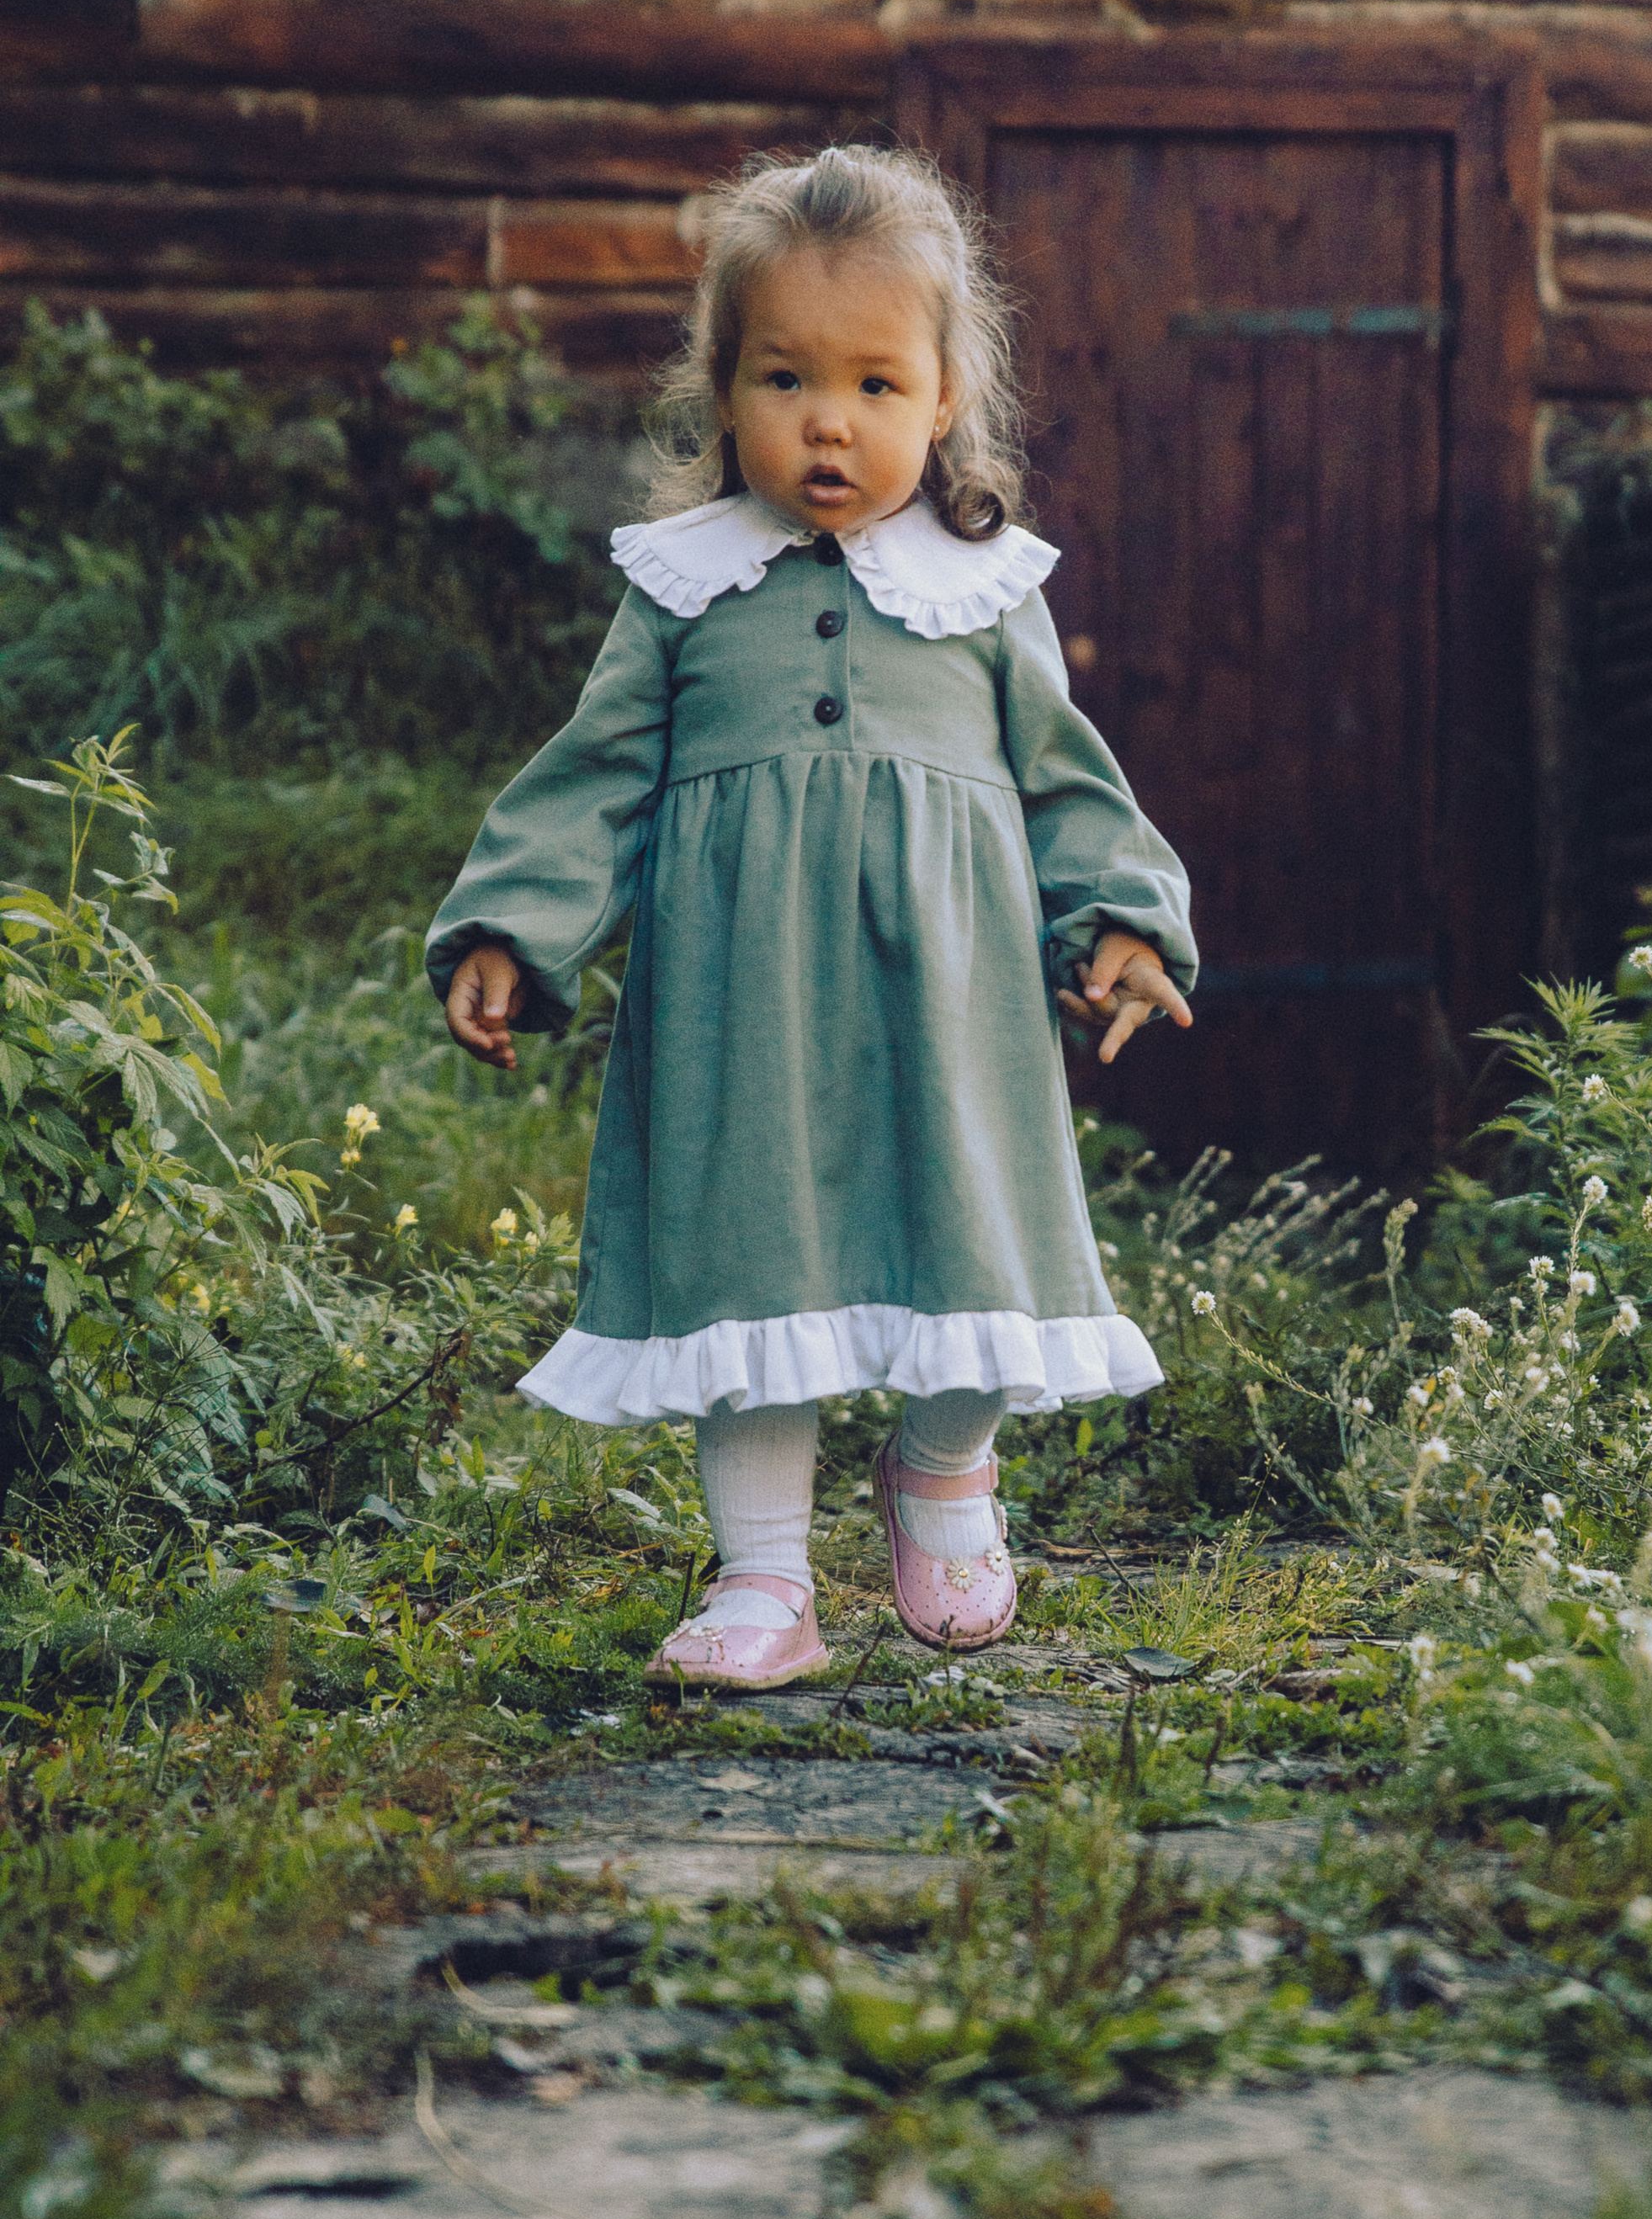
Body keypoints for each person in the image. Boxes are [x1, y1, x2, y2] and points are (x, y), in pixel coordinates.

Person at [426, 144, 1195, 1690]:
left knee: (974, 1239)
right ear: (724, 394)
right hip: (740, 1000)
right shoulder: (683, 588)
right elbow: (597, 778)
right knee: (744, 1263)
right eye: (785, 378)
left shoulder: (983, 588)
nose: (828, 420)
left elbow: (1066, 778)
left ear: (944, 400)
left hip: (951, 1002)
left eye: (874, 384)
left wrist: (1119, 918)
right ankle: (764, 1578)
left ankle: (944, 1469)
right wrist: (512, 926)